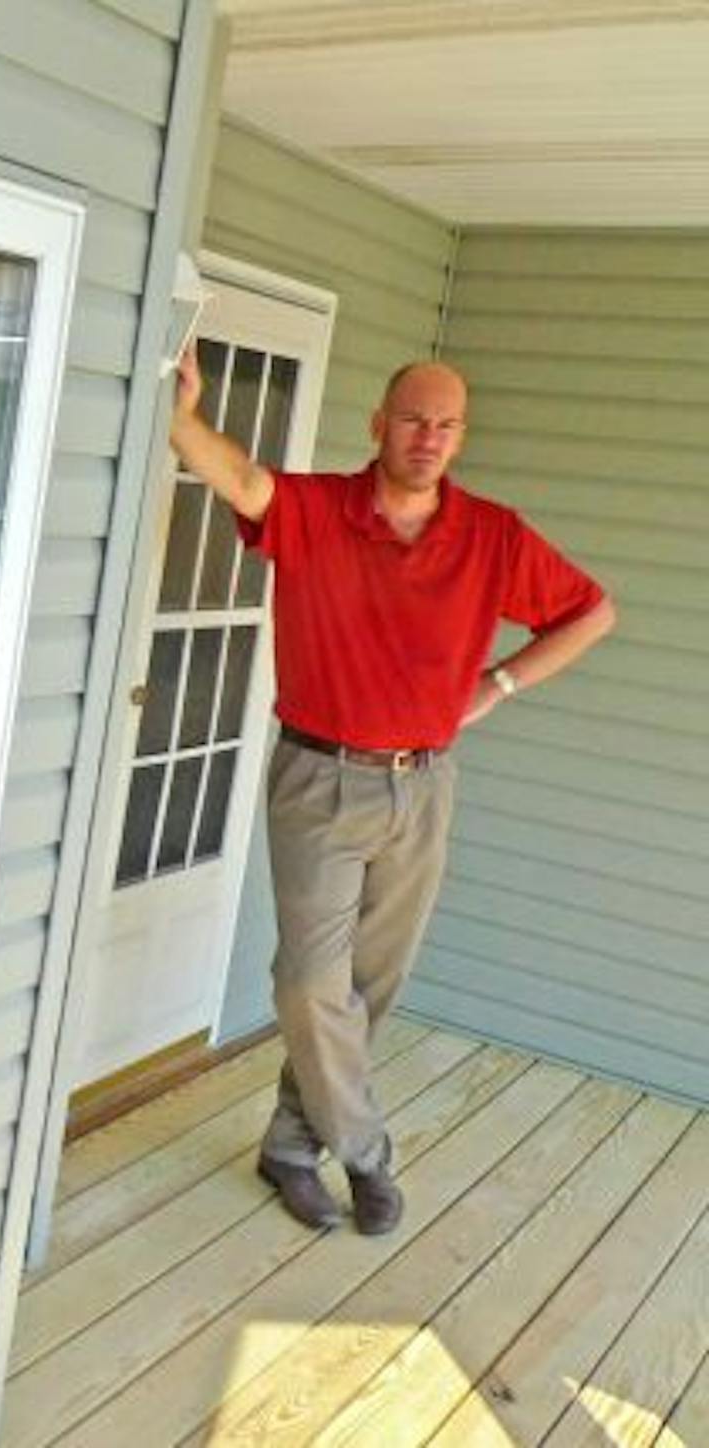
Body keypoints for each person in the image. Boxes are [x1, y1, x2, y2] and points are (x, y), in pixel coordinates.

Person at [167, 350, 616, 1235]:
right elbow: (245, 479)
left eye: (447, 424)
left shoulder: (491, 534)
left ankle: (292, 1149)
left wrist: (501, 685)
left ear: (461, 437)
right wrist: (184, 417)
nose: (430, 438)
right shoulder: (318, 511)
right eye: (414, 419)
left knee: (370, 986)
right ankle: (368, 1153)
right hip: (319, 778)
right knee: (307, 984)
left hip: (423, 784)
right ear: (379, 425)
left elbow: (591, 613)